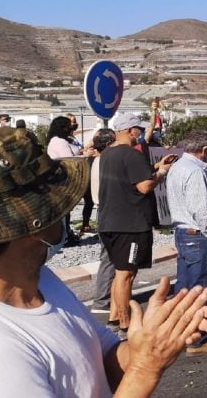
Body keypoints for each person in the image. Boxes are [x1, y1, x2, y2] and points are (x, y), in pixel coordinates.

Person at [0, 127, 207, 396]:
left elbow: (104, 357)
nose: (64, 213)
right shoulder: (0, 351)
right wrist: (145, 368)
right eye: (55, 205)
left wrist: (149, 343)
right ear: (34, 227)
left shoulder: (42, 281)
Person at [99, 112, 177, 334]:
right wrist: (162, 172)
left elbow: (130, 178)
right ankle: (125, 324)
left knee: (119, 272)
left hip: (109, 221)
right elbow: (144, 186)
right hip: (130, 223)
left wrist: (155, 167)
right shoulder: (131, 154)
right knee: (127, 275)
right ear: (129, 130)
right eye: (138, 129)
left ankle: (115, 318)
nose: (141, 132)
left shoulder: (108, 154)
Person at [166, 129, 207, 357]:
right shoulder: (194, 172)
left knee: (184, 289)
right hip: (198, 236)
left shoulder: (178, 167)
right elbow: (200, 209)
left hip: (184, 233)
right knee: (199, 290)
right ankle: (197, 340)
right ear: (204, 149)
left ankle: (180, 334)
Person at [88, 128, 118, 317]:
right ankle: (102, 300)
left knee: (109, 257)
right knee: (109, 258)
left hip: (103, 211)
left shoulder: (98, 161)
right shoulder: (105, 163)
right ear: (108, 145)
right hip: (109, 211)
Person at [46, 116, 84, 246]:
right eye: (68, 125)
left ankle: (66, 235)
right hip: (62, 181)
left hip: (66, 180)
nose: (71, 128)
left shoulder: (64, 140)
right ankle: (64, 237)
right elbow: (70, 160)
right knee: (64, 212)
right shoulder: (58, 142)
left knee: (67, 212)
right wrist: (85, 156)